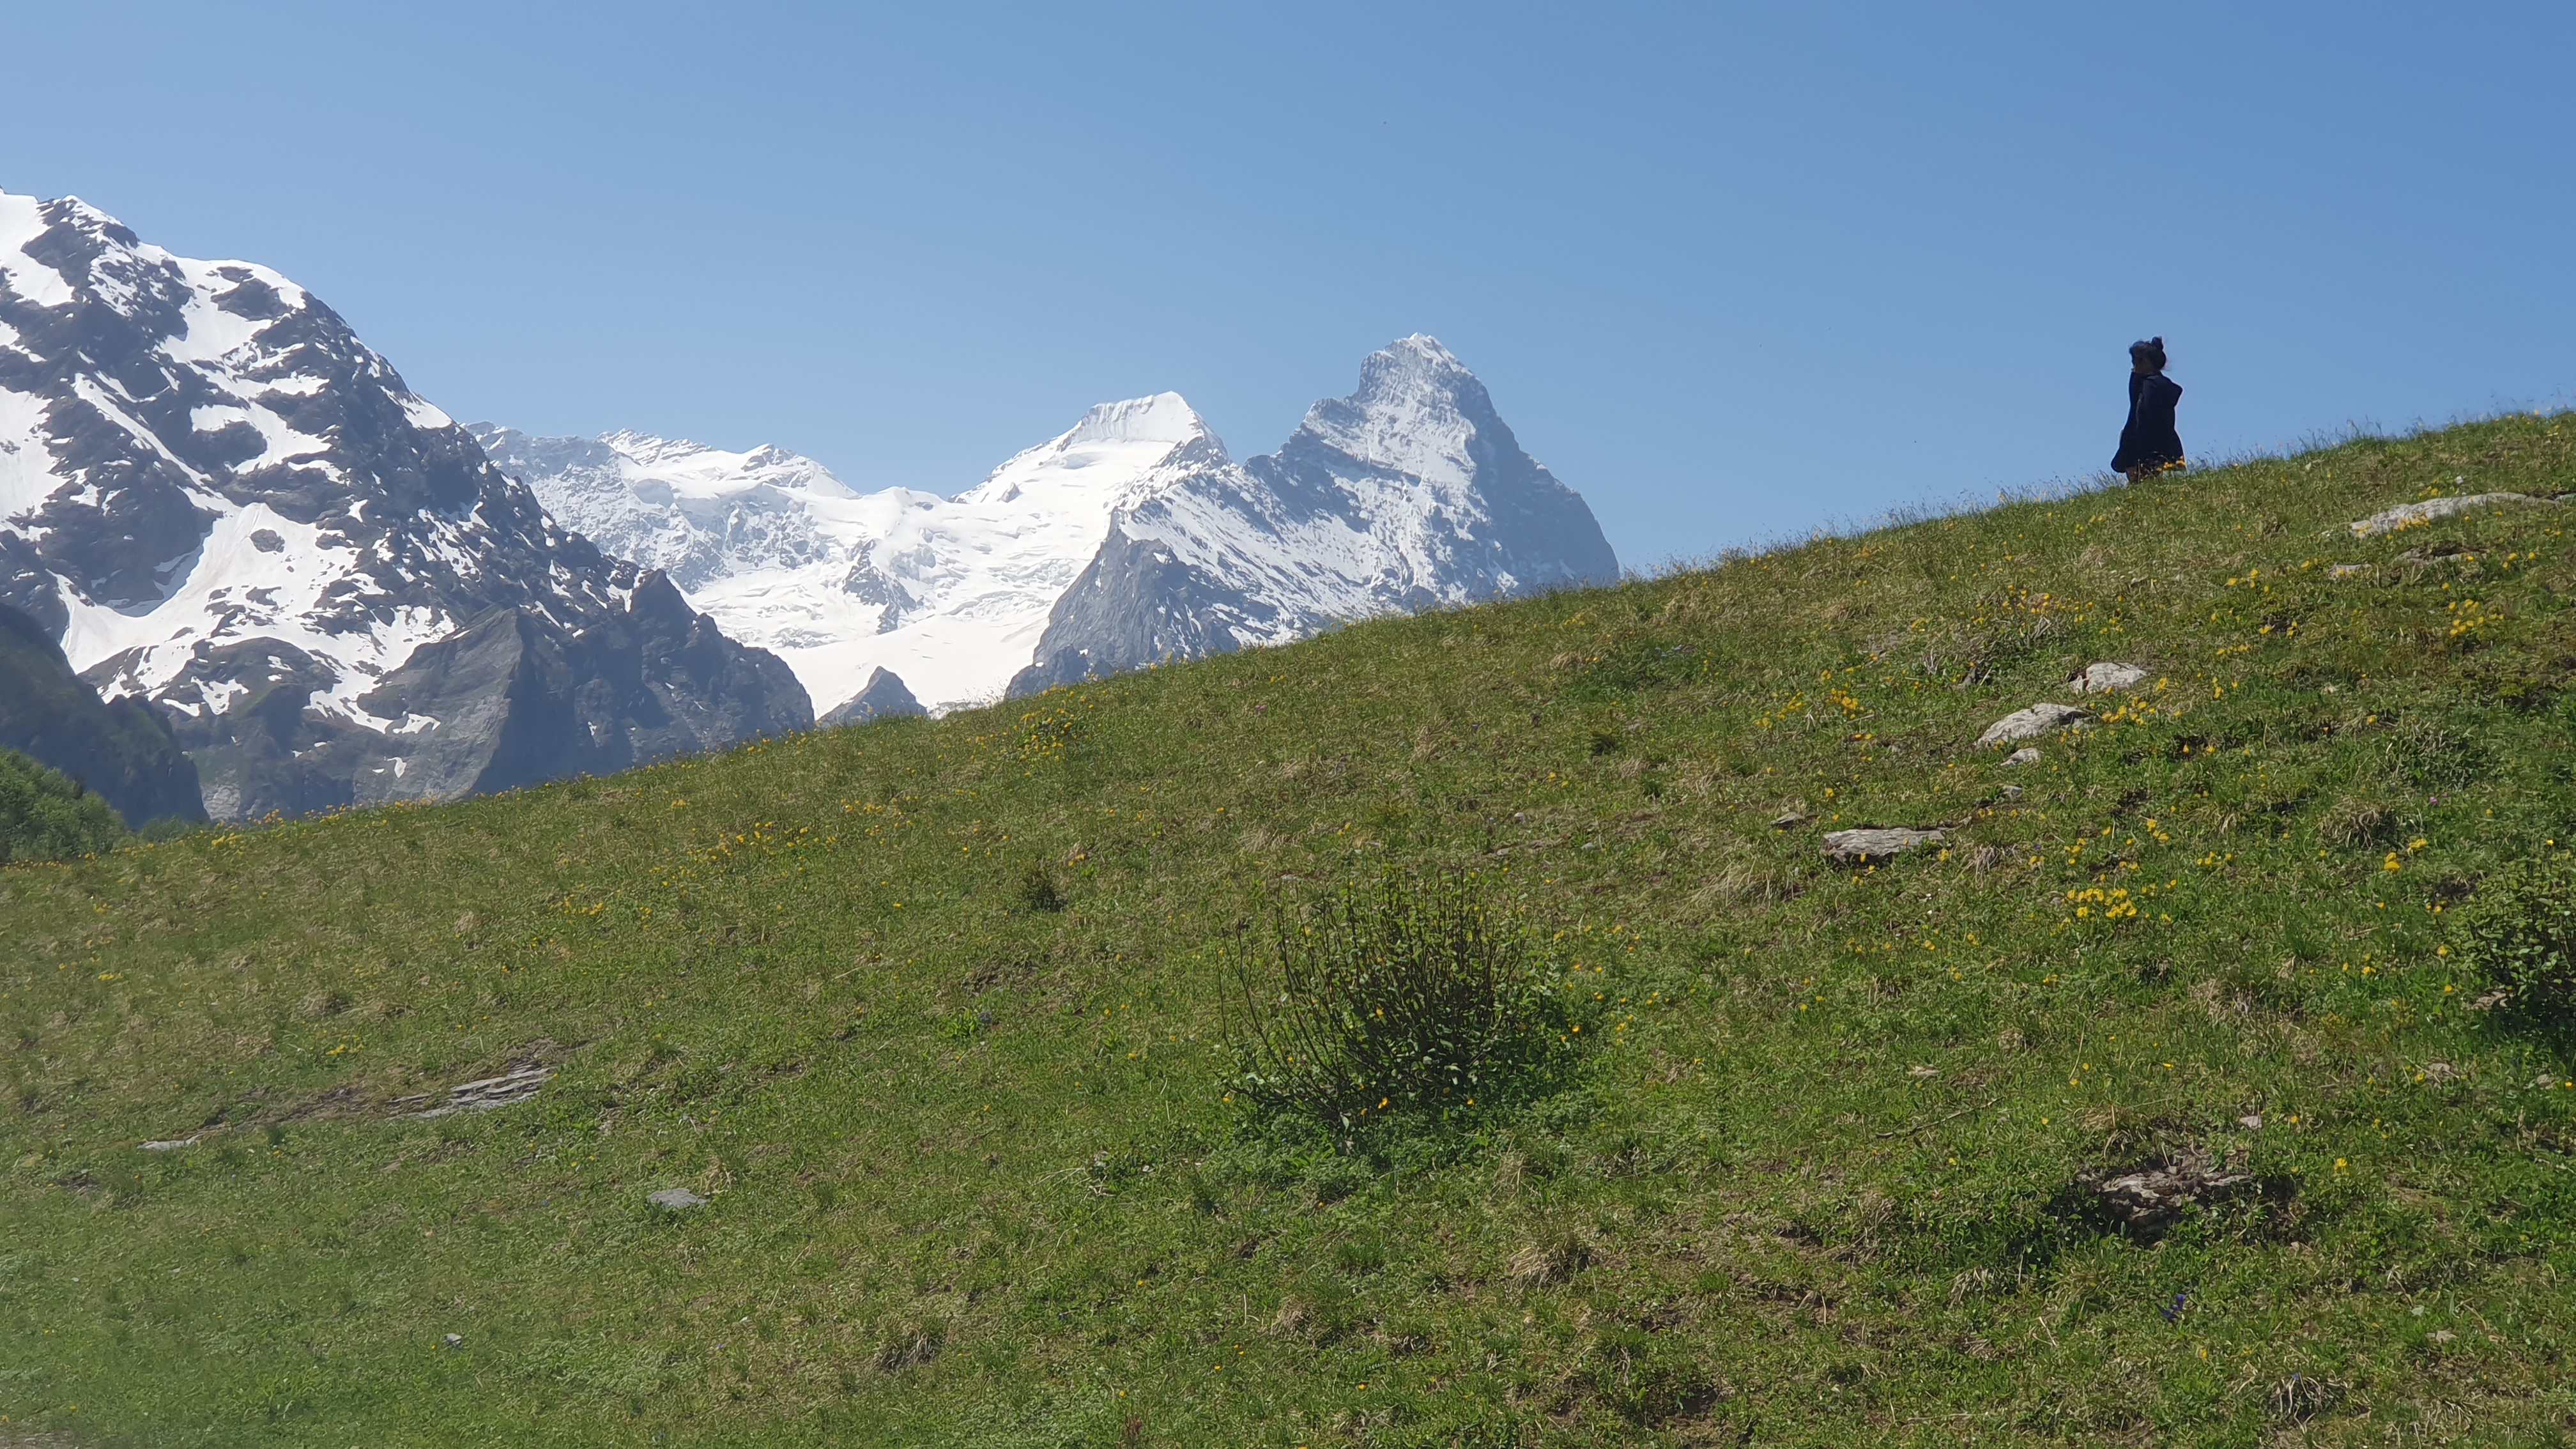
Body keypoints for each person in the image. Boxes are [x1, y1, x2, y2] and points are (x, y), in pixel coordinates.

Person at [2112, 337, 2184, 482]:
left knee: (2142, 485)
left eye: (2135, 362)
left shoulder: (2149, 387)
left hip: (2143, 448)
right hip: (2164, 445)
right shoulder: (2158, 385)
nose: (2133, 368)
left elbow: (2139, 419)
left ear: (2144, 362)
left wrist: (2129, 455)